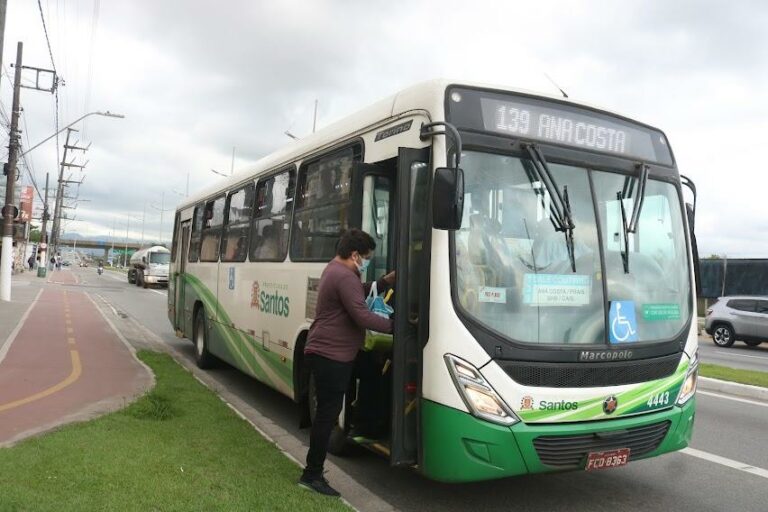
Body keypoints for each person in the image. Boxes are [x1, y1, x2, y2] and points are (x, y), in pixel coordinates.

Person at [299, 228, 394, 497]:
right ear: (354, 254)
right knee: (327, 417)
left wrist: (384, 282)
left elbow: (357, 292)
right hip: (332, 355)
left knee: (375, 371)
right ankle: (312, 474)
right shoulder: (344, 276)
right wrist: (396, 326)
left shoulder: (336, 269)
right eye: (365, 257)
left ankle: (365, 423)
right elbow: (362, 316)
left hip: (337, 352)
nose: (366, 262)